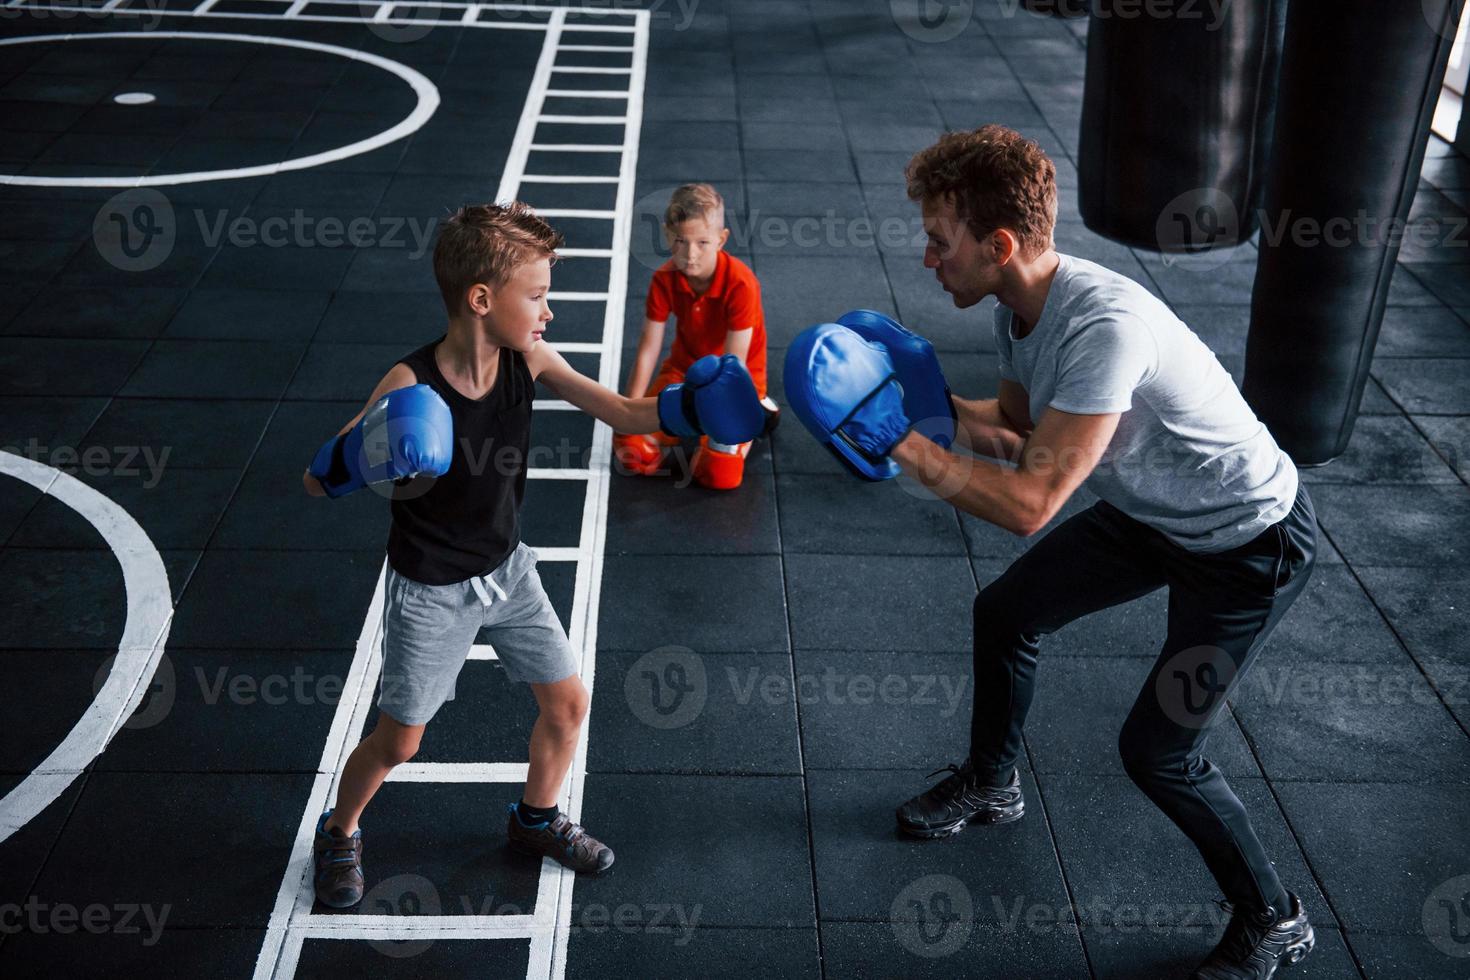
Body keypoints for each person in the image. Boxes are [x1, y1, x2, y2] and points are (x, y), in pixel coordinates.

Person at [783, 126, 1318, 980]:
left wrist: (899, 442)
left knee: (1159, 753)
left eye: (938, 242)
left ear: (999, 245)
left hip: (1244, 540)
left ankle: (1274, 916)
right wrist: (930, 405)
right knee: (1005, 613)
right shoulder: (1017, 312)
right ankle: (992, 783)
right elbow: (1026, 435)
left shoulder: (1104, 328)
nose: (927, 259)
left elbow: (1031, 503)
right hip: (1153, 512)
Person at [302, 202, 764, 908]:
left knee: (569, 702)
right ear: (481, 300)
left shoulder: (528, 357)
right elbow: (317, 476)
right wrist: (366, 453)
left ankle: (536, 819)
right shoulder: (409, 383)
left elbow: (623, 411)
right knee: (400, 743)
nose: (548, 312)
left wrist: (686, 410)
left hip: (507, 570)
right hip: (431, 587)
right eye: (539, 296)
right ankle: (339, 830)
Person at [615, 182, 776, 490]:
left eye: (702, 242)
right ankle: (689, 422)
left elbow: (733, 366)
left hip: (736, 384)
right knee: (632, 454)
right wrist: (628, 412)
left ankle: (761, 409)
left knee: (719, 476)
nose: (690, 254)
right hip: (683, 372)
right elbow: (649, 349)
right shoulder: (664, 279)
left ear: (721, 239)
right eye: (680, 241)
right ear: (667, 235)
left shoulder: (741, 284)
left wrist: (714, 419)